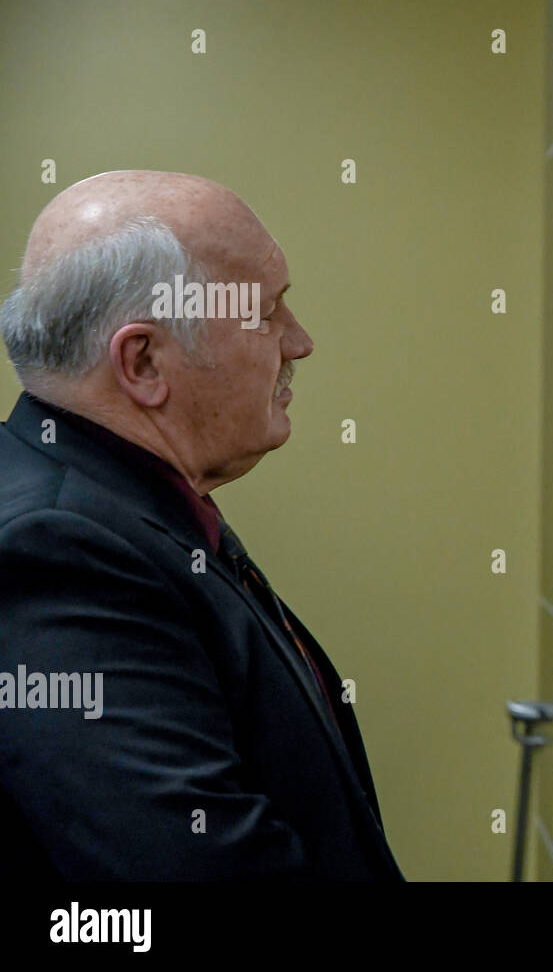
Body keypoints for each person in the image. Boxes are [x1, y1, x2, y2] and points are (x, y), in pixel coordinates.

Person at [0, 170, 403, 879]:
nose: (299, 341)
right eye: (267, 311)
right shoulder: (57, 550)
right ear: (144, 360)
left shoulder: (119, 500)